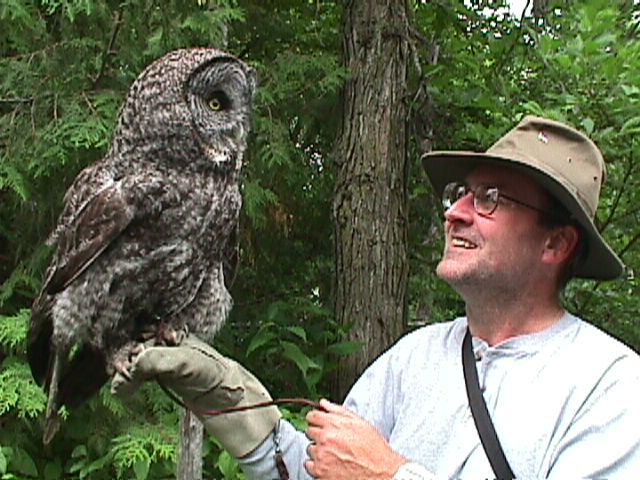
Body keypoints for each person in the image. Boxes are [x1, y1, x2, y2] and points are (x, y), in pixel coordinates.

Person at [112, 115, 640, 479]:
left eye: (490, 199)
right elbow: (320, 472)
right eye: (460, 194)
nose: (454, 212)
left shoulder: (610, 386)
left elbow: (370, 470)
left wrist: (389, 473)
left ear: (556, 243)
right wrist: (228, 396)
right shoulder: (413, 360)